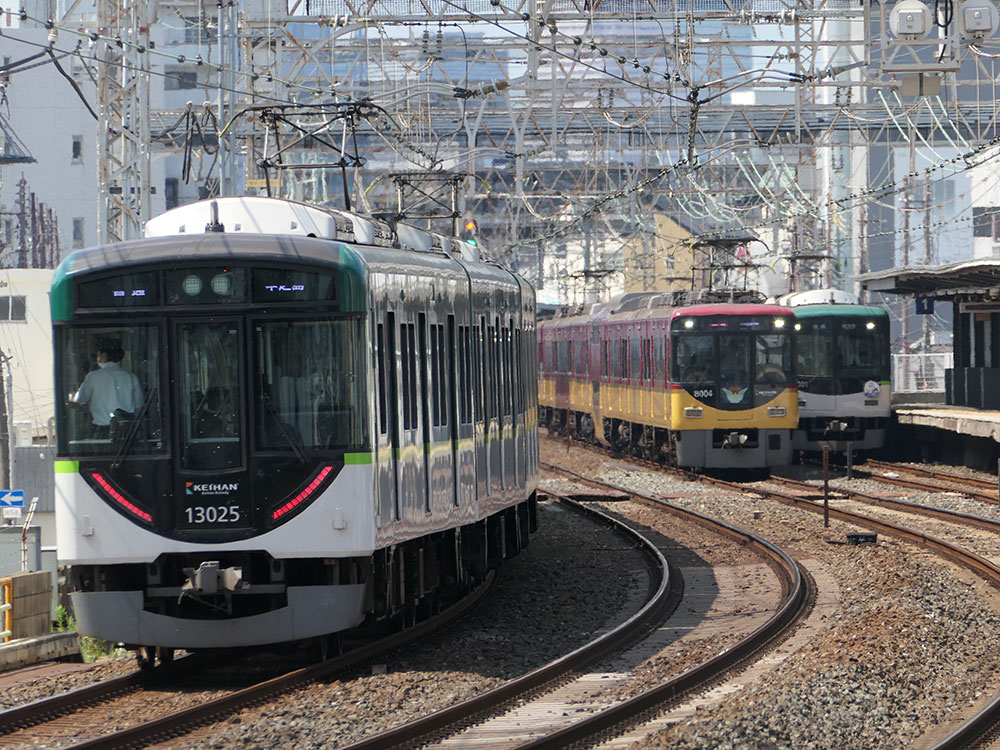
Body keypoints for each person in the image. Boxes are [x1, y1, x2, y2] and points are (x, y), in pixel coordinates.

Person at [72, 337, 143, 436]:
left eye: (98, 355)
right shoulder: (131, 377)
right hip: (126, 433)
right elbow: (138, 406)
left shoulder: (93, 376)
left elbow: (80, 400)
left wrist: (74, 394)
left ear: (103, 356)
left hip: (102, 430)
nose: (97, 359)